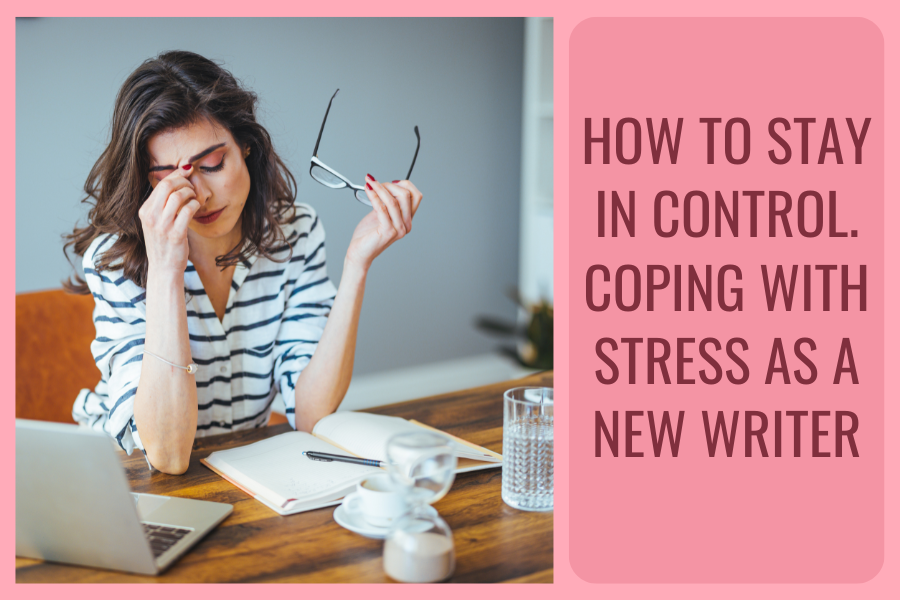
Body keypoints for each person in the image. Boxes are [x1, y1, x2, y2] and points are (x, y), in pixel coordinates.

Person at [65, 51, 422, 474]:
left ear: (246, 145)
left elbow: (311, 416)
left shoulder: (294, 233)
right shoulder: (115, 261)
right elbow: (168, 455)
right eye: (170, 179)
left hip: (237, 471)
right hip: (125, 477)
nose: (200, 195)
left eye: (212, 164)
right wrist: (165, 271)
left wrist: (356, 266)